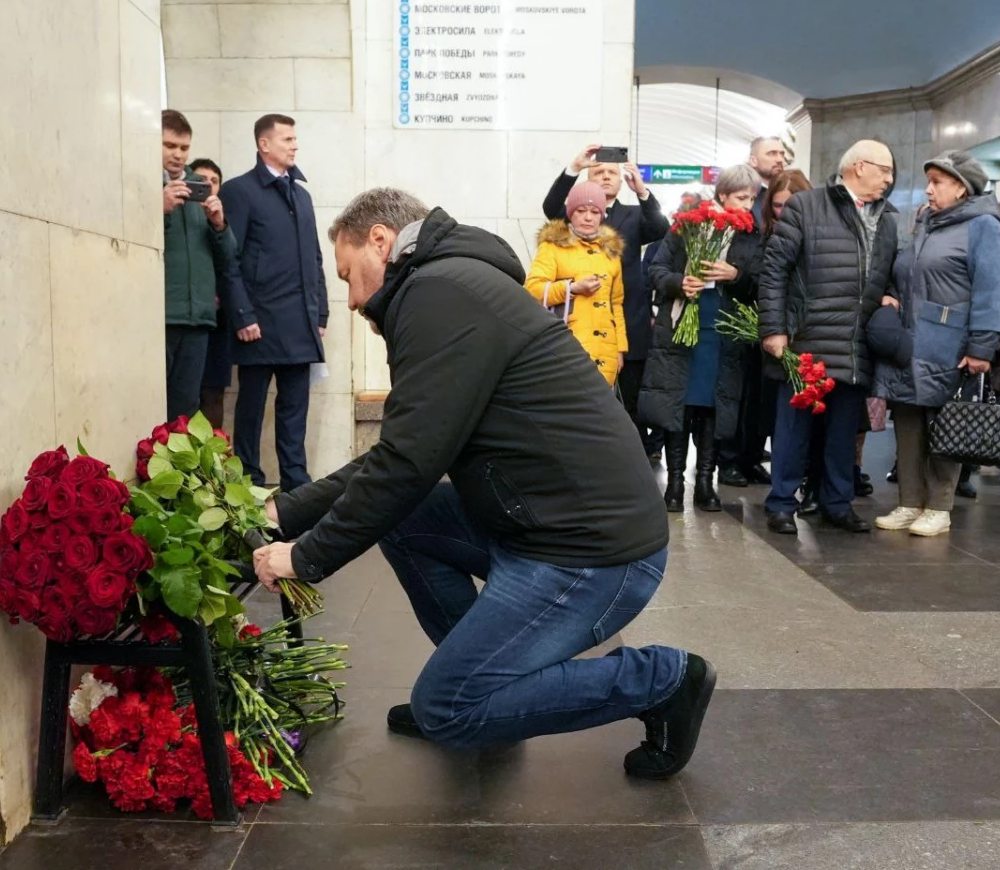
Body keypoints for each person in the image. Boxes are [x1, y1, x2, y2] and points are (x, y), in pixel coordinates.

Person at [252, 188, 715, 780]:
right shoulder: (447, 285)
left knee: (447, 709)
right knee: (405, 518)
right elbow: (398, 459)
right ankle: (492, 694)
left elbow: (404, 462)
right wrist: (284, 513)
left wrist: (306, 556)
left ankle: (662, 680)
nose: (350, 299)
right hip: (539, 524)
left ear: (380, 240)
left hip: (591, 554)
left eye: (348, 275)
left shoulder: (438, 293)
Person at [760, 140, 899, 535]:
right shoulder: (808, 206)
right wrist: (774, 329)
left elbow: (890, 272)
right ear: (857, 167)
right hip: (807, 341)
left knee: (842, 432)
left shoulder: (888, 218)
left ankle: (837, 503)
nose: (889, 179)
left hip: (856, 344)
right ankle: (782, 504)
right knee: (792, 430)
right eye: (884, 170)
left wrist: (893, 294)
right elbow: (775, 271)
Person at [871, 151, 1000, 536]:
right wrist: (891, 294)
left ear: (961, 188)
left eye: (937, 182)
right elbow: (906, 272)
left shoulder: (983, 226)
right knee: (910, 423)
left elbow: (992, 289)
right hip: (910, 341)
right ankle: (909, 502)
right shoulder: (927, 223)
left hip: (949, 343)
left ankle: (939, 506)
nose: (928, 190)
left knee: (945, 423)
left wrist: (981, 346)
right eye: (928, 181)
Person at [639, 165, 764, 513]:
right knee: (679, 405)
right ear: (722, 195)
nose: (747, 205)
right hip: (683, 329)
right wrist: (681, 282)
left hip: (723, 332)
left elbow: (762, 282)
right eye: (741, 197)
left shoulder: (752, 235)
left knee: (713, 407)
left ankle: (706, 484)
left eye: (752, 198)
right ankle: (676, 484)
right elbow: (656, 271)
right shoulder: (688, 226)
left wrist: (736, 275)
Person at [220, 114, 329, 492]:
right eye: (287, 139)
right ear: (264, 144)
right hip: (258, 323)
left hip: (300, 322)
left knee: (295, 408)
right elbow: (229, 258)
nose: (294, 145)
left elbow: (314, 257)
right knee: (250, 406)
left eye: (295, 138)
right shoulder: (240, 191)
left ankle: (296, 483)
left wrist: (322, 312)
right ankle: (249, 479)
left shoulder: (302, 195)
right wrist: (242, 314)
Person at [542, 146, 671, 457]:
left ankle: (634, 454)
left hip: (628, 318)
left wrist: (641, 189)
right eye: (598, 172)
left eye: (611, 172)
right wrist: (573, 167)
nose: (605, 177)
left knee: (630, 395)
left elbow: (660, 228)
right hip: (582, 320)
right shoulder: (572, 217)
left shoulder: (634, 214)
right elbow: (550, 207)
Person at [717, 168, 810, 489]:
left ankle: (751, 457)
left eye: (751, 198)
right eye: (778, 205)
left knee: (761, 401)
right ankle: (731, 459)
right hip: (751, 326)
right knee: (741, 397)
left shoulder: (766, 233)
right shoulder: (759, 234)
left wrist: (739, 277)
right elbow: (760, 280)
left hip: (789, 327)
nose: (784, 212)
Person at [161, 111, 236, 422]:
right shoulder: (140, 181)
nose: (178, 155)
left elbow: (230, 256)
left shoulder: (199, 185)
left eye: (184, 147)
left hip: (198, 316)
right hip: (160, 315)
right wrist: (159, 208)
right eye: (169, 146)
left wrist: (219, 225)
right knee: (151, 404)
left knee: (187, 409)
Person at [525, 181, 627, 386]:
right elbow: (532, 290)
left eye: (594, 212)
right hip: (566, 345)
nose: (588, 217)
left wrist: (619, 349)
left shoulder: (611, 253)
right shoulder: (552, 247)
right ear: (571, 213)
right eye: (581, 210)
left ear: (602, 216)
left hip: (606, 348)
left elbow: (616, 303)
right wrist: (571, 289)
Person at [188, 158, 232, 430]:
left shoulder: (222, 220)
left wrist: (219, 224)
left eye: (213, 182)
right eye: (200, 180)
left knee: (214, 393)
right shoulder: (177, 213)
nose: (206, 186)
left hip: (217, 322)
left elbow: (231, 262)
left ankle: (214, 458)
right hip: (188, 319)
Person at [747, 136, 788, 226]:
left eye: (782, 154)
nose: (780, 160)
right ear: (753, 161)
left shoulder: (790, 193)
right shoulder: (744, 194)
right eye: (772, 153)